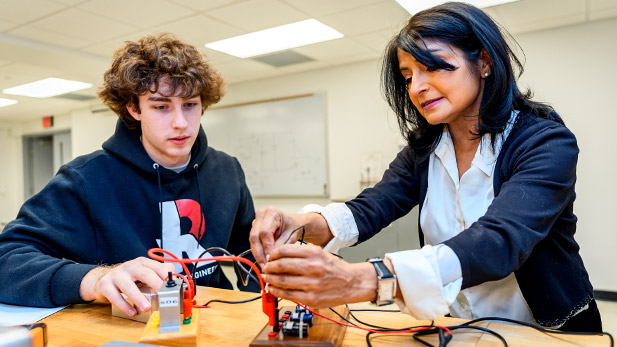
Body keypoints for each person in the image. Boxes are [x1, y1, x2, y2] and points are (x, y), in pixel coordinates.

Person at [250, 2, 601, 332]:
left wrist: (368, 279)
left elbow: (500, 239)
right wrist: (300, 224)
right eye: (407, 76)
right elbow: (370, 208)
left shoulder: (544, 142)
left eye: (432, 66)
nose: (416, 87)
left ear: (484, 62)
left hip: (548, 330)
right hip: (462, 326)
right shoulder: (424, 151)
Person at [0, 33, 259, 317]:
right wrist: (93, 279)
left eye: (190, 104)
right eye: (161, 106)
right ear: (134, 108)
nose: (181, 123)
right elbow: (7, 259)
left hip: (208, 324)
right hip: (124, 330)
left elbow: (249, 255)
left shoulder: (228, 170)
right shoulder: (85, 180)